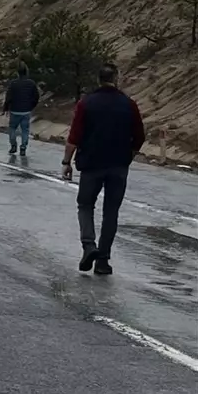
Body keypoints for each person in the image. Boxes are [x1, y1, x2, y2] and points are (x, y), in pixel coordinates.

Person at [62, 63, 145, 276]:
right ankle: (103, 260)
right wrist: (129, 155)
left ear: (98, 79)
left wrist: (66, 162)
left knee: (85, 205)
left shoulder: (86, 103)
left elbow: (74, 136)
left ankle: (89, 246)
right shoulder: (129, 104)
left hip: (91, 164)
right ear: (116, 78)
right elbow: (140, 136)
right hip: (118, 165)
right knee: (111, 212)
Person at [3, 62, 40, 157]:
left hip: (14, 110)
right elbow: (36, 96)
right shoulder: (31, 83)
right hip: (26, 110)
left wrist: (6, 108)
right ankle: (23, 147)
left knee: (12, 128)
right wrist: (31, 106)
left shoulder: (13, 83)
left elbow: (8, 97)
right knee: (25, 130)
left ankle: (13, 145)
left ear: (17, 73)